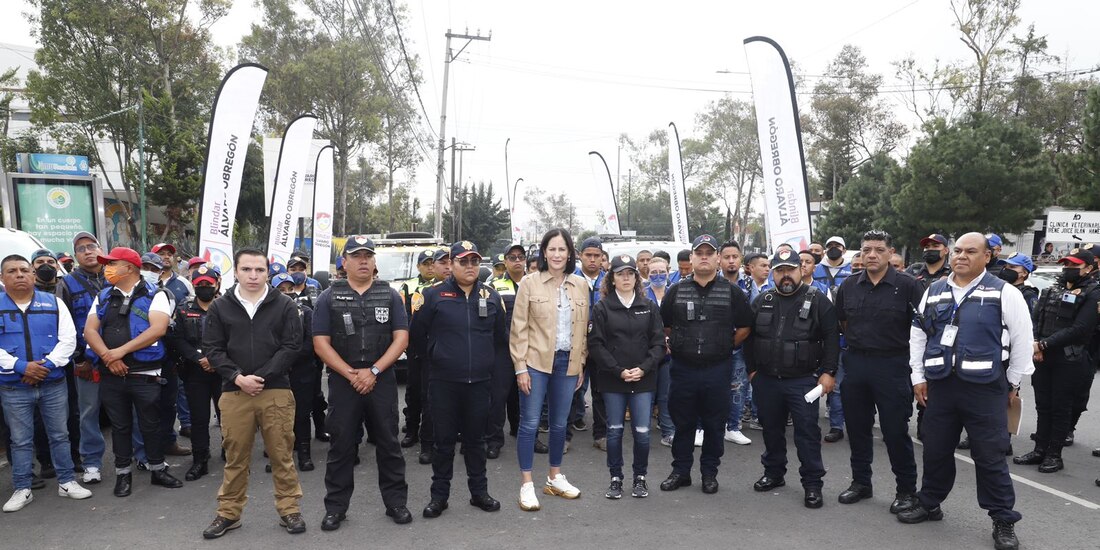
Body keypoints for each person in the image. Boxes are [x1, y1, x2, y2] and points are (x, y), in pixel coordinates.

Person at [898, 233, 1034, 550]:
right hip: (941, 386)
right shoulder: (933, 290)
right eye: (957, 250)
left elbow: (1023, 342)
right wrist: (918, 376)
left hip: (986, 389)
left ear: (987, 257)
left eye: (971, 251)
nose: (961, 256)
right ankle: (930, 502)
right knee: (935, 449)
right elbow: (918, 336)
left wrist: (1011, 383)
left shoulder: (1006, 293)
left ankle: (1002, 519)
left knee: (990, 456)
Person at [200, 248, 305, 538]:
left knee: (281, 454)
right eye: (247, 269)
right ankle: (229, 514)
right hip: (234, 393)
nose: (253, 275)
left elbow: (292, 346)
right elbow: (213, 348)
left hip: (276, 391)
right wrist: (237, 377)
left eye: (259, 270)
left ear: (267, 272)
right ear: (236, 271)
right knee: (235, 457)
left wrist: (260, 376)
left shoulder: (283, 304)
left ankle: (289, 509)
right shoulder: (221, 306)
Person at [312, 236, 412, 531]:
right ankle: (335, 508)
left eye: (368, 255)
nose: (364, 260)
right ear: (344, 263)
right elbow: (320, 343)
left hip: (380, 379)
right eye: (357, 256)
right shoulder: (329, 297)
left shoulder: (390, 294)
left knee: (389, 443)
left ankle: (396, 503)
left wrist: (375, 371)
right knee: (341, 446)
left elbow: (402, 338)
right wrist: (351, 373)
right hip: (345, 380)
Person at [410, 240, 506, 518]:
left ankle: (479, 493)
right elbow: (417, 336)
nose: (469, 266)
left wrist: (493, 375)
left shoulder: (490, 296)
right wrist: (438, 359)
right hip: (443, 384)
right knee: (443, 443)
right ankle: (439, 497)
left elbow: (501, 340)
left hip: (479, 384)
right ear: (451, 265)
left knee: (476, 442)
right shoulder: (433, 295)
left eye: (474, 261)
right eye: (463, 261)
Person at [833, 231, 923, 514]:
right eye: (866, 250)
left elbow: (921, 330)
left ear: (890, 252)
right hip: (856, 364)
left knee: (895, 432)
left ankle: (906, 490)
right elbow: (843, 323)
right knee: (857, 429)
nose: (872, 255)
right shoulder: (848, 286)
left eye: (878, 249)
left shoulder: (908, 286)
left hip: (893, 365)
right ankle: (861, 483)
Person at [83, 247, 183, 497]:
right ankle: (123, 474)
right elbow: (90, 331)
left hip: (145, 373)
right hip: (111, 373)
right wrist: (109, 356)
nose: (106, 268)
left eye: (111, 263)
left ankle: (158, 469)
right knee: (120, 426)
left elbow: (157, 329)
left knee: (150, 424)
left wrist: (119, 352)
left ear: (129, 267)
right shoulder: (104, 296)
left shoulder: (155, 294)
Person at [658, 234, 753, 496]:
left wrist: (726, 346)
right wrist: (677, 342)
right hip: (683, 369)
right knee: (683, 422)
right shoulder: (676, 291)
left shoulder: (732, 292)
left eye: (709, 253)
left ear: (718, 259)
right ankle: (681, 471)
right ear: (691, 258)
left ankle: (709, 473)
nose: (703, 257)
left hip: (717, 369)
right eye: (698, 252)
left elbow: (746, 326)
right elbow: (664, 324)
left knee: (714, 424)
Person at [746, 248, 839, 509]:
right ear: (773, 273)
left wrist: (828, 372)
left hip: (803, 381)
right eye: (780, 271)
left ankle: (812, 484)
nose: (785, 276)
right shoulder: (762, 299)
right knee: (772, 431)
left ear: (801, 270)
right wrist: (752, 370)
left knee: (807, 434)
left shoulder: (818, 300)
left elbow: (832, 339)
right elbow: (749, 338)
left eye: (790, 270)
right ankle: (774, 474)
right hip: (766, 379)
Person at [0, 254, 91, 512]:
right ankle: (22, 487)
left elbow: (68, 340)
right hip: (13, 387)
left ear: (32, 275)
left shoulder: (54, 303)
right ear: (2, 278)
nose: (19, 274)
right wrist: (21, 367)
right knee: (19, 440)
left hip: (52, 384)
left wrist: (46, 366)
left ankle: (66, 482)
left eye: (23, 270)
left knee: (60, 434)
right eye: (12, 271)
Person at [510, 228, 589, 511]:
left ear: (570, 254)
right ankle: (527, 484)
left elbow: (582, 330)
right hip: (535, 363)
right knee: (530, 423)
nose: (557, 255)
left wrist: (580, 363)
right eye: (552, 249)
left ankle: (554, 477)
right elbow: (518, 329)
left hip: (567, 363)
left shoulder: (580, 286)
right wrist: (520, 368)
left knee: (559, 423)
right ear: (544, 252)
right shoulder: (529, 283)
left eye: (562, 249)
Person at [1012, 248, 1099, 474]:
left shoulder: (1093, 292)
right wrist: (1035, 343)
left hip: (1069, 358)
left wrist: (1044, 345)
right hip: (1042, 355)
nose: (1068, 269)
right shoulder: (1052, 289)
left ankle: (1054, 455)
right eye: (1066, 264)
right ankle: (1039, 449)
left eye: (1074, 265)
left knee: (1061, 407)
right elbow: (1036, 318)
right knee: (1043, 405)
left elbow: (1080, 328)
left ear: (1089, 268)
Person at [588, 254, 664, 499]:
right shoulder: (602, 307)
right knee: (615, 431)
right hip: (613, 380)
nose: (626, 278)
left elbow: (658, 344)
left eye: (630, 273)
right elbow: (596, 345)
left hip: (643, 379)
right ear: (612, 278)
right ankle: (616, 478)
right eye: (620, 274)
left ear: (636, 276)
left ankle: (640, 478)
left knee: (642, 432)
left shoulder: (648, 306)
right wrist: (618, 370)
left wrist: (643, 368)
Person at [57, 231, 107, 485]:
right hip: (88, 361)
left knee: (130, 409)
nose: (87, 251)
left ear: (100, 248)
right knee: (88, 412)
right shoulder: (67, 284)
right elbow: (63, 325)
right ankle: (91, 463)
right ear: (75, 255)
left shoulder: (116, 277)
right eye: (81, 248)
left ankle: (140, 455)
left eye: (91, 246)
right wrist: (79, 359)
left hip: (121, 357)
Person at [165, 265, 223, 481]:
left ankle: (230, 453)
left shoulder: (227, 307)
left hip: (222, 370)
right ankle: (200, 459)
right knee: (199, 418)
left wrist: (216, 360)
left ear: (216, 283)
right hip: (195, 371)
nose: (205, 288)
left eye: (209, 284)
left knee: (228, 415)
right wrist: (199, 359)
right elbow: (176, 339)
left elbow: (235, 337)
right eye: (200, 285)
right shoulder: (183, 308)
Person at [271, 273, 318, 472]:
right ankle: (280, 456)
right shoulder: (265, 313)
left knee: (301, 414)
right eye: (281, 290)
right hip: (276, 373)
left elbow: (311, 341)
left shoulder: (306, 312)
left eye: (289, 289)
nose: (286, 293)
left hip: (302, 370)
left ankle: (305, 455)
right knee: (277, 416)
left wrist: (289, 358)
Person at [487, 243, 527, 459]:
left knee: (525, 396)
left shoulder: (535, 283)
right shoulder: (493, 285)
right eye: (512, 257)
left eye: (521, 257)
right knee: (498, 396)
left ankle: (525, 434)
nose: (517, 261)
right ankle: (494, 440)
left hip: (530, 349)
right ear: (505, 261)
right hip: (502, 348)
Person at [571, 237, 606, 449]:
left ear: (602, 257)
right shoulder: (570, 279)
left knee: (601, 391)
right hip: (575, 341)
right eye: (588, 255)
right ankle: (565, 436)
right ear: (580, 255)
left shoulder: (610, 280)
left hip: (602, 343)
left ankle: (600, 435)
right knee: (571, 388)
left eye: (596, 256)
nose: (592, 260)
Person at [399, 249, 436, 449]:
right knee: (413, 390)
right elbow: (403, 316)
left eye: (433, 263)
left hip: (437, 346)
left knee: (432, 392)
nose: (430, 267)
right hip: (415, 346)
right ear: (418, 266)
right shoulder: (408, 286)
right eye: (426, 263)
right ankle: (412, 430)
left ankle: (430, 433)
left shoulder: (442, 285)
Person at [721, 242, 752, 446]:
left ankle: (733, 427)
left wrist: (733, 343)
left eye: (735, 256)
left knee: (738, 387)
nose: (731, 261)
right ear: (719, 259)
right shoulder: (712, 282)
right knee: (711, 387)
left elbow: (751, 317)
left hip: (740, 345)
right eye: (727, 257)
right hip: (713, 345)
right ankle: (706, 426)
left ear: (741, 259)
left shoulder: (750, 284)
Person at [645, 256, 675, 447]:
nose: (658, 276)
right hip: (646, 352)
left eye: (661, 272)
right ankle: (643, 431)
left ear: (668, 271)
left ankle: (668, 431)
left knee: (665, 394)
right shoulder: (640, 294)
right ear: (647, 274)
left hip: (670, 353)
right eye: (653, 272)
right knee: (646, 393)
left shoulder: (675, 292)